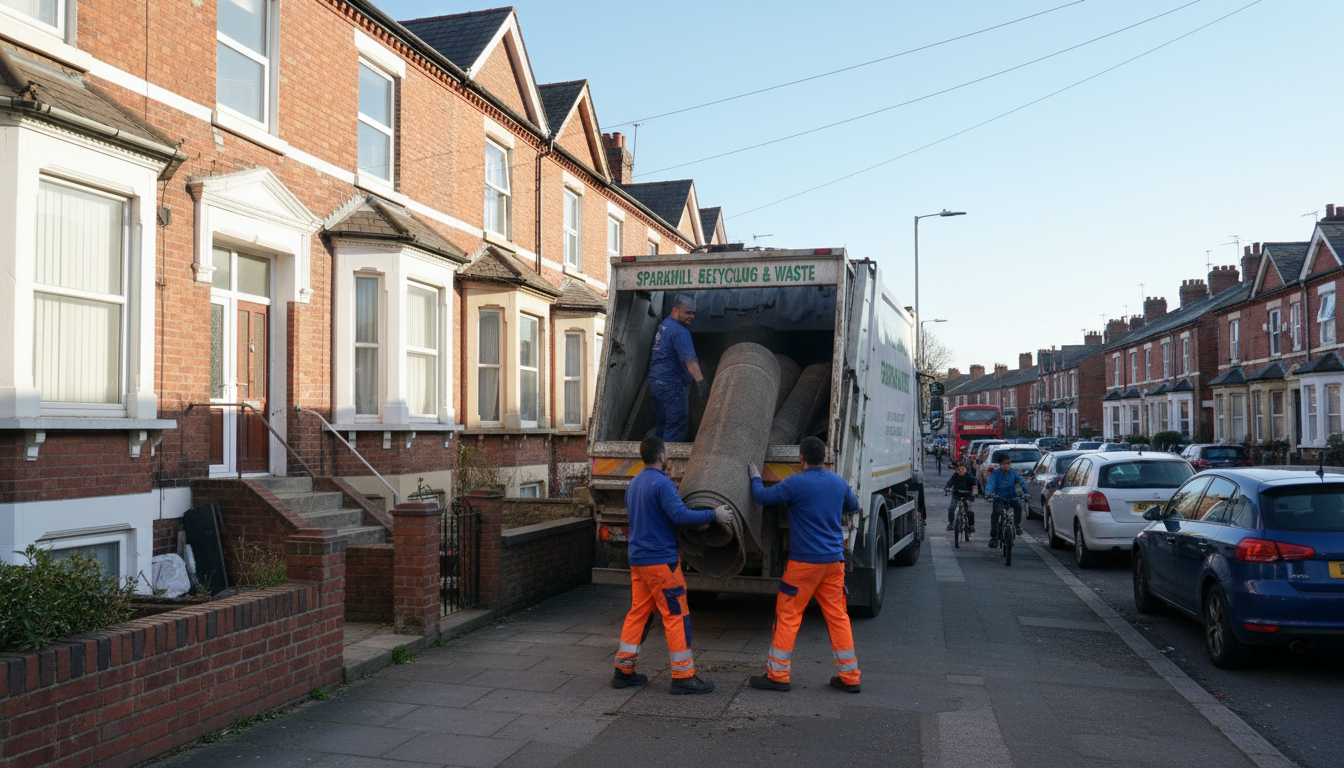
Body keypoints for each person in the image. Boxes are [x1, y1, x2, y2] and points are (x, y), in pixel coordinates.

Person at [613, 436, 731, 695]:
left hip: (638, 561)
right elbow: (678, 515)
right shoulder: (663, 484)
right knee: (677, 616)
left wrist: (690, 521)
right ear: (663, 457)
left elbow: (657, 518)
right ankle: (683, 676)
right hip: (661, 564)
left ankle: (623, 671)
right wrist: (714, 515)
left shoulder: (633, 485)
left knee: (638, 614)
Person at [745, 436, 862, 694]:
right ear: (823, 457)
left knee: (788, 616)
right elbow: (854, 507)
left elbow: (762, 497)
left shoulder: (795, 483)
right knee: (838, 617)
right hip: (834, 563)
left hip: (803, 565)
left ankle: (777, 675)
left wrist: (754, 476)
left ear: (801, 458)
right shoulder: (837, 481)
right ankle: (850, 677)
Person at [647, 295, 708, 443]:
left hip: (656, 382)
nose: (691, 316)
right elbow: (690, 361)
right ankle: (667, 462)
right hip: (672, 385)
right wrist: (701, 383)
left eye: (693, 313)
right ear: (675, 310)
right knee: (676, 425)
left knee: (663, 424)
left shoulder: (665, 325)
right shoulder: (680, 332)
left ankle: (657, 459)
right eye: (688, 312)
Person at [984, 455, 1029, 548]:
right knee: (996, 513)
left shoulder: (1014, 473)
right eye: (1004, 464)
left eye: (1008, 463)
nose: (1006, 466)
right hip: (999, 497)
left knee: (1018, 506)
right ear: (1000, 464)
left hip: (1012, 497)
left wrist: (1026, 493)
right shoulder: (995, 474)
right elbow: (991, 483)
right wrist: (988, 493)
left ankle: (1017, 525)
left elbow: (1022, 482)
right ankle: (994, 536)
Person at [943, 462, 978, 533]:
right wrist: (947, 488)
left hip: (968, 495)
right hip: (957, 494)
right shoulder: (955, 476)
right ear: (956, 470)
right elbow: (949, 483)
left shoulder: (969, 476)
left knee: (969, 511)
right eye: (958, 470)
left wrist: (975, 488)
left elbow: (975, 482)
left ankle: (971, 526)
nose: (961, 471)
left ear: (966, 469)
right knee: (951, 508)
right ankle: (951, 523)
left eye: (963, 469)